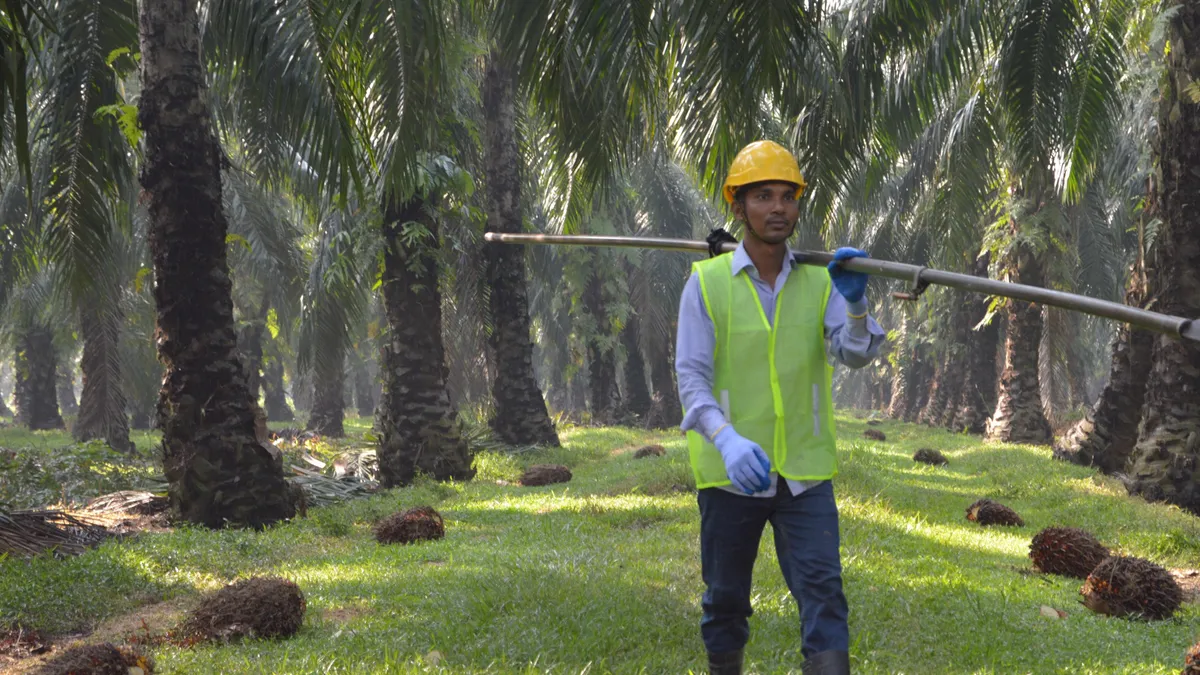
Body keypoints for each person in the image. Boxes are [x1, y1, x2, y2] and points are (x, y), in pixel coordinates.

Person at [675, 140, 885, 675]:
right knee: (724, 599)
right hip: (730, 475)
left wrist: (857, 304)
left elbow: (853, 353)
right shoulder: (706, 284)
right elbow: (691, 379)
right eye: (763, 196)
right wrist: (725, 438)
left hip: (804, 475)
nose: (778, 208)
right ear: (739, 205)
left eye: (787, 197)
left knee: (825, 597)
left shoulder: (823, 280)